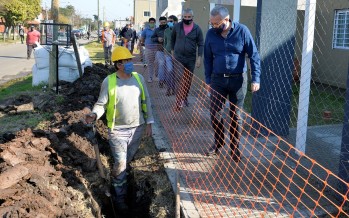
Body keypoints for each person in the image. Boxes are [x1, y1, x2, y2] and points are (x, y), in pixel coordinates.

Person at [84, 46, 154, 214]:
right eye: (126, 61)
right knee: (121, 164)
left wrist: (149, 123)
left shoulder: (139, 79)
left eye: (130, 60)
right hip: (118, 131)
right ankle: (119, 197)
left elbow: (147, 101)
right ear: (118, 65)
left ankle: (123, 182)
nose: (130, 63)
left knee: (127, 161)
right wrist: (94, 114)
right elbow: (101, 103)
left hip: (137, 128)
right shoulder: (110, 81)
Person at [204, 5, 261, 162]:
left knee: (235, 115)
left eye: (216, 23)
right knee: (215, 113)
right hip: (217, 80)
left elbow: (254, 55)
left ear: (227, 19)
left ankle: (235, 146)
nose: (214, 26)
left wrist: (256, 78)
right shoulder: (210, 34)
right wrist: (208, 80)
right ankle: (219, 142)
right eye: (212, 23)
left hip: (238, 80)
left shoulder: (242, 31)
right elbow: (207, 59)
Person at [171, 8, 204, 110]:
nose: (187, 18)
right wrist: (172, 52)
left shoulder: (197, 29)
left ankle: (185, 97)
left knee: (188, 80)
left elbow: (201, 44)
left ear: (192, 17)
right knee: (179, 78)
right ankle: (179, 100)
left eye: (189, 17)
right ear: (182, 17)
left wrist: (199, 58)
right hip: (178, 57)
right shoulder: (177, 27)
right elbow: (172, 39)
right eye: (185, 17)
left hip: (190, 59)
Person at [151, 16, 168, 88]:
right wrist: (157, 39)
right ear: (159, 22)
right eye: (161, 23)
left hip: (168, 51)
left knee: (167, 67)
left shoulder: (170, 29)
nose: (163, 24)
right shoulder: (157, 30)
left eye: (164, 22)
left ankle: (167, 80)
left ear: (166, 22)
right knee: (161, 65)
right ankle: (161, 81)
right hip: (160, 50)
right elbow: (152, 38)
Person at [163, 15, 178, 96]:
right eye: (168, 21)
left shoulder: (179, 30)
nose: (169, 22)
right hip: (168, 54)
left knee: (176, 73)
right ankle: (169, 88)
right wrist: (165, 50)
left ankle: (174, 89)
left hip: (177, 54)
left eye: (171, 21)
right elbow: (165, 42)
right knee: (169, 71)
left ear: (175, 21)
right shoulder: (166, 31)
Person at [140, 18, 156, 83]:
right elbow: (142, 38)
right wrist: (144, 43)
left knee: (158, 62)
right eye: (151, 22)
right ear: (149, 23)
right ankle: (150, 77)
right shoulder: (146, 30)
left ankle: (157, 74)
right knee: (150, 63)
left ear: (155, 23)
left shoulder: (157, 29)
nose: (152, 23)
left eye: (153, 22)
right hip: (148, 48)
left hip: (157, 48)